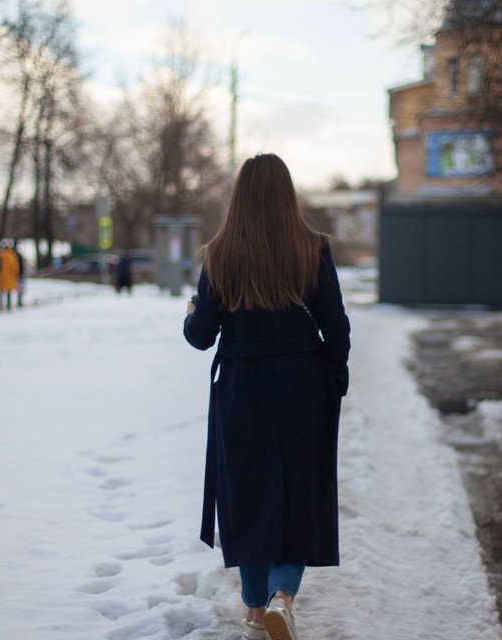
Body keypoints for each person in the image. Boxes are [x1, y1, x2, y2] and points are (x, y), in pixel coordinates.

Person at [183, 153, 351, 640]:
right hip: (302, 385)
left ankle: (256, 610)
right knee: (298, 493)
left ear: (240, 197)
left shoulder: (220, 254)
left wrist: (192, 311)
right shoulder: (312, 248)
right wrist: (334, 379)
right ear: (287, 194)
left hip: (242, 387)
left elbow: (202, 335)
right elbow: (335, 325)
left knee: (249, 497)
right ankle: (283, 597)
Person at [0, 243, 21, 311]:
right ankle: (8, 304)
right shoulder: (12, 256)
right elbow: (15, 268)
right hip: (10, 276)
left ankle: (0, 304)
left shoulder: (0, 256)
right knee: (8, 291)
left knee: (1, 291)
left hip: (1, 276)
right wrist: (16, 274)